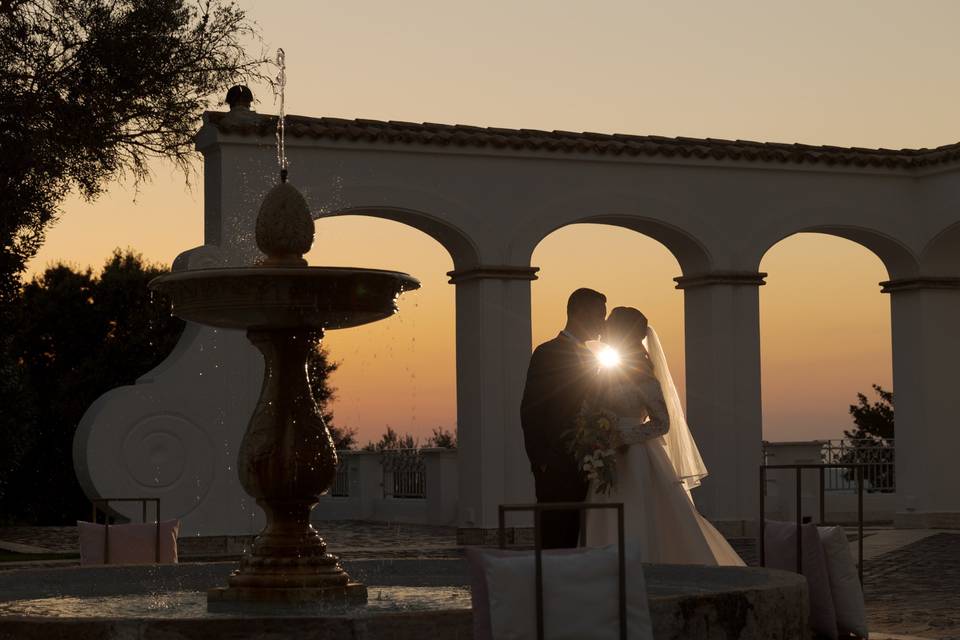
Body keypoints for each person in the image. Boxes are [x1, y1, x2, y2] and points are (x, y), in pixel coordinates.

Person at [585, 307, 745, 566]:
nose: (605, 332)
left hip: (635, 456)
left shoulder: (646, 379)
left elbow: (662, 424)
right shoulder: (605, 372)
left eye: (611, 328)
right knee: (606, 513)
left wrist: (627, 435)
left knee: (639, 513)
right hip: (607, 454)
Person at [520, 288, 606, 549]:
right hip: (555, 467)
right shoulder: (547, 353)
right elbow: (532, 409)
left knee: (579, 538)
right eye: (598, 316)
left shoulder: (592, 357)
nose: (602, 324)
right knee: (555, 539)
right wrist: (542, 462)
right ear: (579, 313)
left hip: (587, 466)